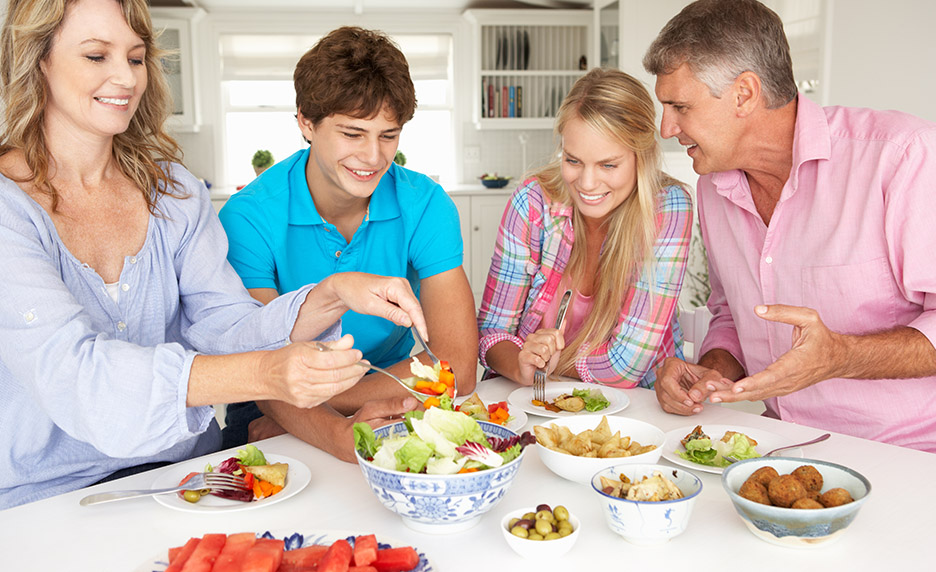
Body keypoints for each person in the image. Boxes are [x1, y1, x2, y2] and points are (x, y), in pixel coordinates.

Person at [0, 0, 427, 510]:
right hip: (44, 500)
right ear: (37, 59)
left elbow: (222, 322)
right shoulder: (9, 207)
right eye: (97, 56)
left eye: (136, 59)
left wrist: (331, 295)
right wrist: (267, 373)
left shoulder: (174, 192)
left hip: (193, 479)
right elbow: (78, 377)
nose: (125, 78)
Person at [644, 0, 936, 452]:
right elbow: (730, 313)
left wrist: (840, 357)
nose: (666, 128)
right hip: (778, 447)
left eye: (680, 106)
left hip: (906, 457)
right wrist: (712, 370)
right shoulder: (712, 186)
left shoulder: (901, 157)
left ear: (744, 93)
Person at [218, 26, 477, 460]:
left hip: (382, 391)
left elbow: (459, 368)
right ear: (306, 121)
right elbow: (257, 365)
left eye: (388, 135)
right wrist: (322, 427)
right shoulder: (248, 217)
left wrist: (322, 407)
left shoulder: (425, 204)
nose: (373, 157)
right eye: (353, 133)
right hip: (269, 399)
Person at [477, 68, 692, 389]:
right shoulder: (533, 202)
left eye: (608, 164)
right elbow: (493, 330)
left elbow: (626, 366)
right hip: (531, 404)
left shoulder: (668, 208)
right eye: (573, 160)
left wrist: (541, 365)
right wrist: (520, 364)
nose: (587, 183)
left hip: (637, 413)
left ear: (641, 156)